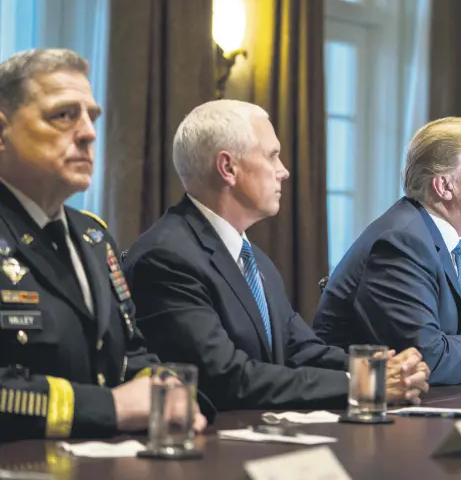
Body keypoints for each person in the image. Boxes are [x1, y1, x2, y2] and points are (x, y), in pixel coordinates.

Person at [123, 100, 429, 411]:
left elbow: (300, 348)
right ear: (228, 168)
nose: (284, 171)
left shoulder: (253, 257)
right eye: (272, 156)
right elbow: (225, 378)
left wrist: (381, 369)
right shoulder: (166, 258)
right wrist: (364, 385)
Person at [0, 48, 206, 441]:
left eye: (91, 116)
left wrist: (169, 393)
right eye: (63, 115)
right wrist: (111, 408)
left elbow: (130, 353)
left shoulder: (92, 236)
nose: (88, 132)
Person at [314, 117, 461, 386]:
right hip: (364, 411)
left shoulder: (460, 247)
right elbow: (424, 358)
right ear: (444, 186)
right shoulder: (401, 242)